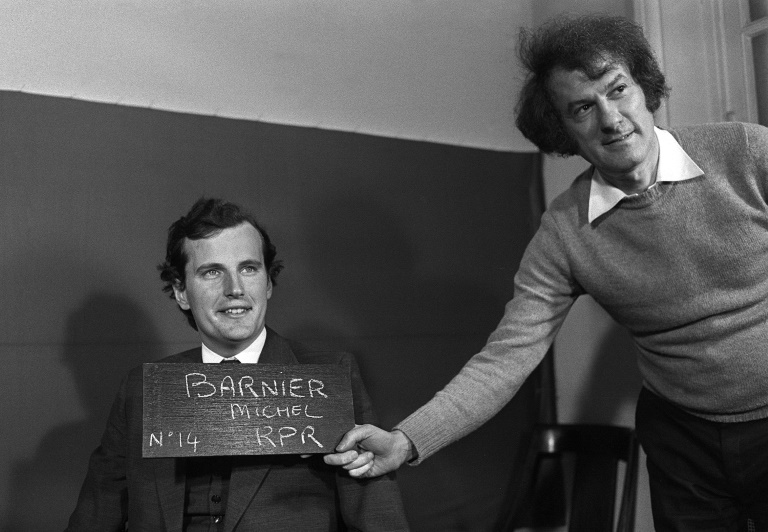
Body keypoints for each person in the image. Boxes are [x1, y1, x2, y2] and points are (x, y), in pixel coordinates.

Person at [325, 14, 768, 531]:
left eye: (618, 89)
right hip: (683, 441)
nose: (611, 118)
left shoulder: (747, 151)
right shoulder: (563, 231)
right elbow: (504, 362)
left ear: (645, 88)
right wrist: (405, 440)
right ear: (563, 130)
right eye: (582, 107)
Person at [67, 197, 409, 531]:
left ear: (269, 282)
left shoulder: (329, 377)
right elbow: (95, 516)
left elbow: (379, 520)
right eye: (212, 272)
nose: (235, 288)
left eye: (248, 268)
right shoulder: (141, 390)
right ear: (181, 291)